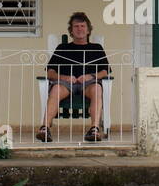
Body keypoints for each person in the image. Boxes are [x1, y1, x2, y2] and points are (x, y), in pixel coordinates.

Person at [38, 12, 110, 142]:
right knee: (55, 90)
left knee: (97, 89)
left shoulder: (96, 48)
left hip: (89, 84)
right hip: (66, 84)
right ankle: (45, 128)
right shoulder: (62, 48)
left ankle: (94, 130)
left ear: (88, 30)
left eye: (83, 26)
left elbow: (105, 71)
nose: (79, 29)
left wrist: (91, 76)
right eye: (76, 26)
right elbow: (50, 72)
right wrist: (64, 78)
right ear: (71, 30)